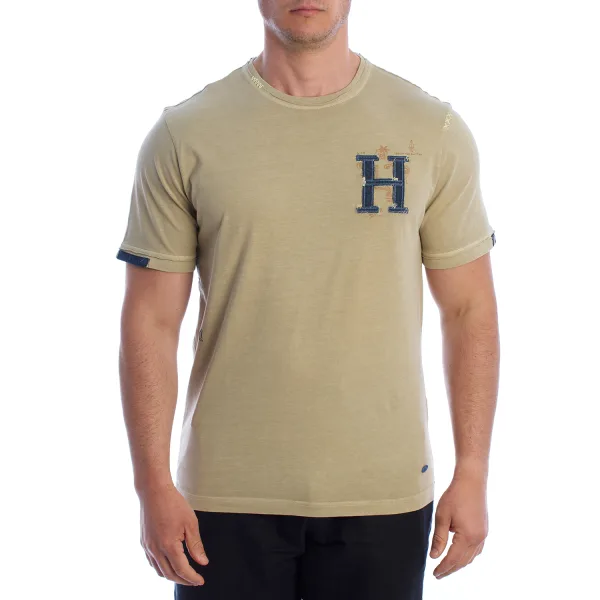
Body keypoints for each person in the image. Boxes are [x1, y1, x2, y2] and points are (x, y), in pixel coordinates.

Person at [116, 1, 499, 598]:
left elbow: (469, 310)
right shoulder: (186, 134)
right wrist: (151, 485)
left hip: (383, 492)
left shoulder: (431, 129)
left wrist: (472, 470)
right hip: (224, 495)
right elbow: (151, 321)